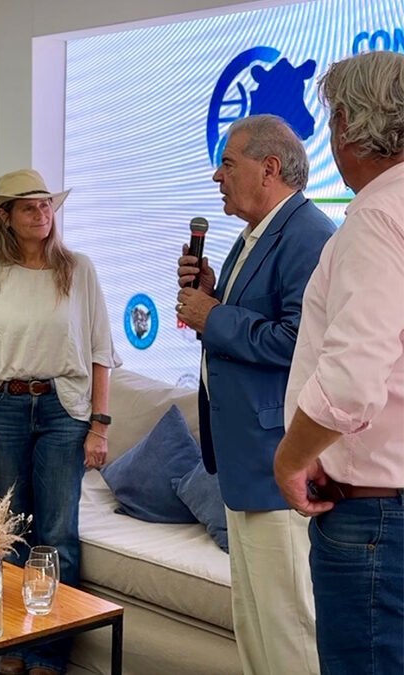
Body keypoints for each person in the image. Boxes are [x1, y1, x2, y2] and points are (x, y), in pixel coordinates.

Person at [176, 114, 334, 675]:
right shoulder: (256, 233)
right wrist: (214, 298)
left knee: (287, 631)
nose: (217, 177)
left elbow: (299, 341)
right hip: (244, 464)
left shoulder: (308, 235)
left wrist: (214, 316)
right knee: (254, 625)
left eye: (227, 163)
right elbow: (254, 322)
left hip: (277, 463)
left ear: (269, 168)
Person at [0, 169, 120, 675]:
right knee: (9, 534)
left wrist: (99, 426)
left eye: (46, 205)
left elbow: (100, 353)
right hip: (3, 409)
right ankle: (9, 642)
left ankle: (48, 651)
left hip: (63, 410)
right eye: (29, 207)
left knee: (56, 534)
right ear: (6, 216)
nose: (41, 214)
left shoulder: (79, 269)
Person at [274, 51, 404, 674]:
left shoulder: (376, 218)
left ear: (349, 124)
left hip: (373, 516)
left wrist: (291, 458)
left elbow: (351, 382)